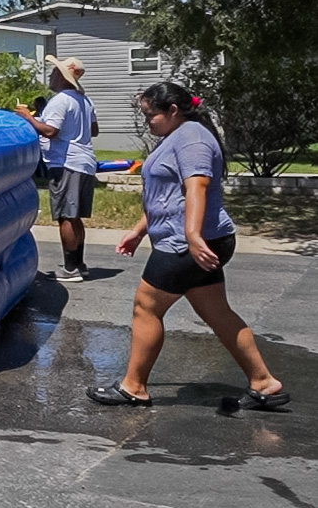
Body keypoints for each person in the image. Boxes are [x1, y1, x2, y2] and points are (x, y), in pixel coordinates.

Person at [87, 82, 288, 411]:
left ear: (173, 111)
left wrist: (193, 237)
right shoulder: (177, 136)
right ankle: (264, 382)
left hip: (187, 242)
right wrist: (141, 229)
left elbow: (197, 187)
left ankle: (133, 387)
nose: (147, 122)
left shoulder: (191, 138)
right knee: (217, 312)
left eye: (150, 115)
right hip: (194, 239)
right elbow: (167, 197)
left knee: (146, 308)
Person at [14, 55, 100, 282]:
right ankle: (78, 264)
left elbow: (51, 131)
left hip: (66, 162)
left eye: (54, 73)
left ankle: (70, 269)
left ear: (63, 77)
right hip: (85, 161)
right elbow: (94, 130)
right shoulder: (85, 100)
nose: (51, 76)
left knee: (66, 216)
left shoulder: (61, 99)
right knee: (75, 216)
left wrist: (28, 118)